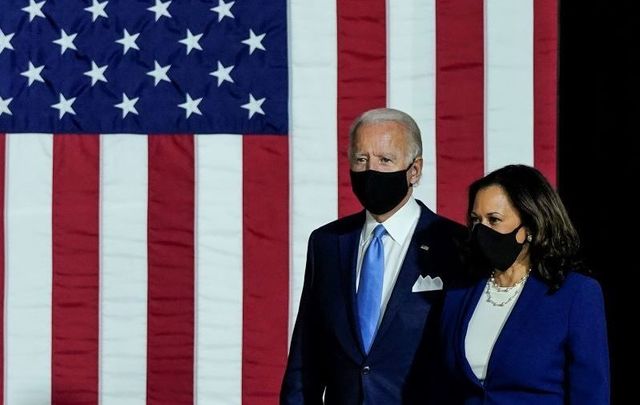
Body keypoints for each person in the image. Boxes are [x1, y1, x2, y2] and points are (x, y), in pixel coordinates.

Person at [280, 108, 466, 404]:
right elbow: (307, 356)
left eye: (385, 160)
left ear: (415, 170)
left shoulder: (456, 244)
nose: (371, 171)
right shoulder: (327, 243)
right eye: (361, 159)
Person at [438, 164, 610, 404]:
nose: (481, 231)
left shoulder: (576, 294)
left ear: (529, 227)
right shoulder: (460, 292)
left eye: (494, 220)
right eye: (476, 220)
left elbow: (591, 393)